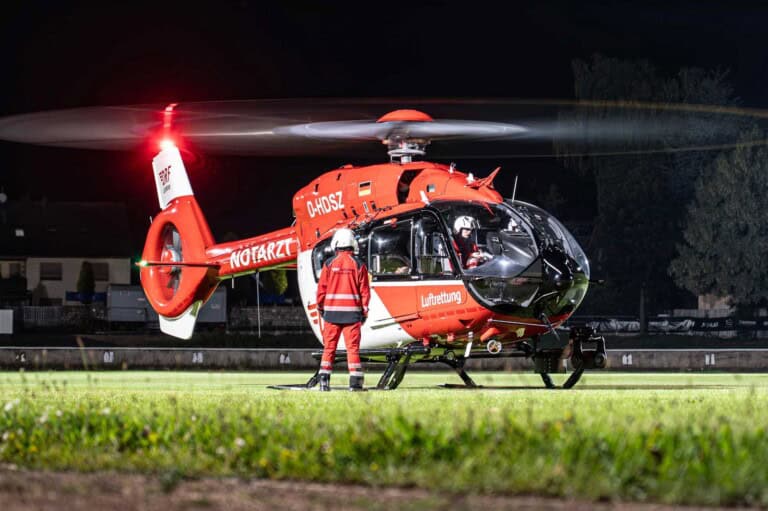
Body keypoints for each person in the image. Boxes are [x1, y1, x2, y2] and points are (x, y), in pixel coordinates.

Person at [316, 228, 371, 391]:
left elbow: (321, 290)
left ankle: (324, 382)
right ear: (352, 244)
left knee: (329, 348)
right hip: (353, 315)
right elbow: (365, 292)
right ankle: (355, 383)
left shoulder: (328, 264)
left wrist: (321, 308)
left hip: (331, 314)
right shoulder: (359, 265)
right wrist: (364, 312)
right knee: (352, 349)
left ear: (336, 244)